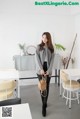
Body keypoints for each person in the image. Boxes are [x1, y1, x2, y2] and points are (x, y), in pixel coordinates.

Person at [35, 32, 54, 117]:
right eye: (43, 37)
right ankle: (43, 105)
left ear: (49, 38)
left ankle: (44, 103)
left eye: (46, 38)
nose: (44, 39)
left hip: (48, 68)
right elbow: (37, 59)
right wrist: (41, 69)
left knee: (47, 86)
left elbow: (52, 61)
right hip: (40, 68)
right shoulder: (39, 47)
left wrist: (48, 70)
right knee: (42, 86)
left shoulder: (51, 48)